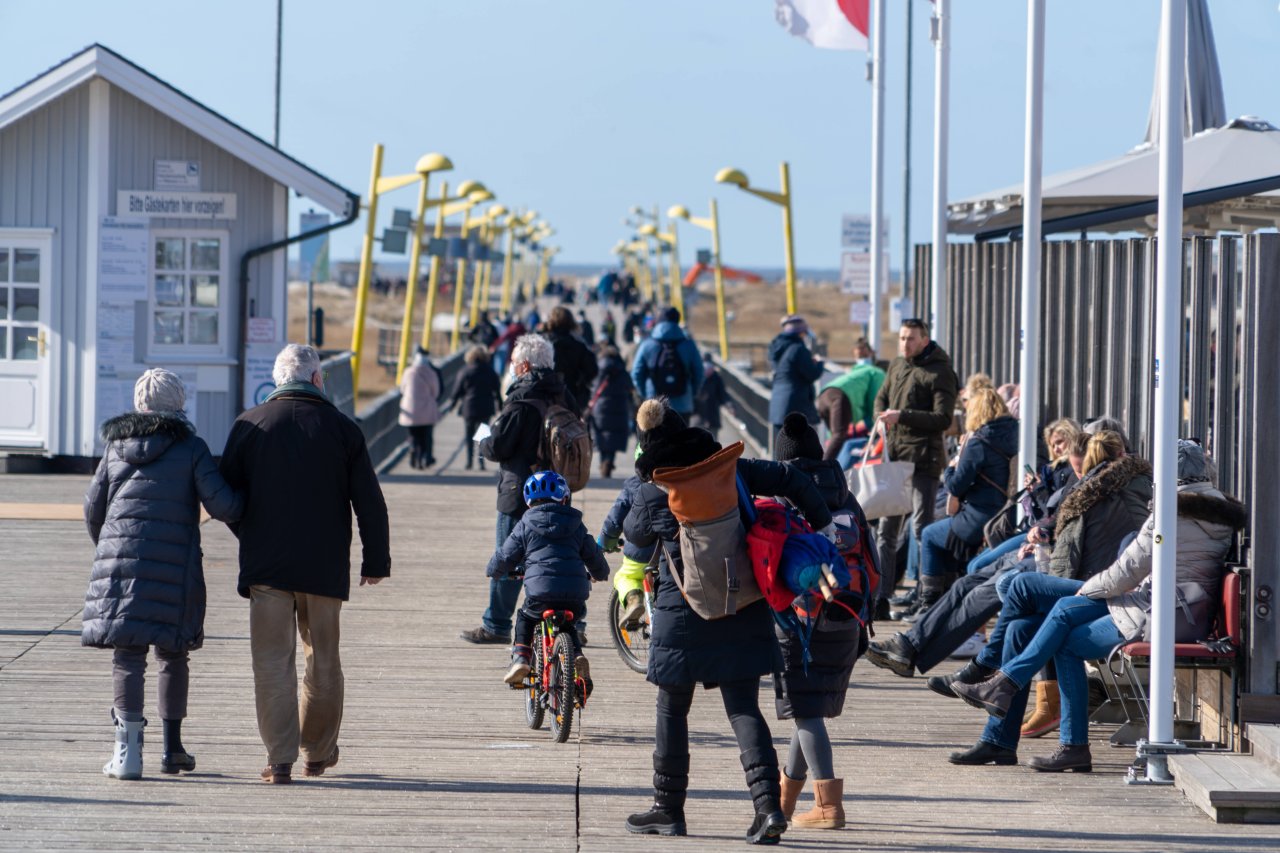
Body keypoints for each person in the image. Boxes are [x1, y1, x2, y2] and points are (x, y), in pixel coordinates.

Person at [951, 440, 1243, 771]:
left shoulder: (1170, 514)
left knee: (1047, 613)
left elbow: (1126, 571)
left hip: (1158, 611)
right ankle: (1002, 720)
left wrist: (1084, 593)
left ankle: (1009, 693)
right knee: (1022, 617)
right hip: (1167, 606)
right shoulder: (1217, 512)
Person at [622, 399, 834, 843]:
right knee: (743, 708)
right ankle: (768, 809)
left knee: (672, 708)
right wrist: (822, 524)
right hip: (742, 602)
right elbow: (790, 476)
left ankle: (668, 809)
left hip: (681, 612)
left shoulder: (652, 489)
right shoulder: (731, 468)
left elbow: (636, 538)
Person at [219, 344, 391, 784]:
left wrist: (251, 536)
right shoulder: (342, 429)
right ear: (317, 379)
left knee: (272, 663)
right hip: (323, 567)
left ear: (278, 380)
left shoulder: (248, 424)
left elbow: (226, 498)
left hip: (266, 568)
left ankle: (279, 761)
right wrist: (375, 560)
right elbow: (369, 502)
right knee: (324, 662)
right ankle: (317, 754)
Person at [945, 430, 1151, 765]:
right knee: (1018, 629)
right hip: (1095, 587)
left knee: (1023, 586)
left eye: (1082, 464)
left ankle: (987, 668)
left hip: (1112, 594)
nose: (1077, 472)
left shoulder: (1123, 492)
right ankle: (998, 739)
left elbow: (1131, 558)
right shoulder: (1100, 490)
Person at [83, 368, 243, 781]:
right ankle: (172, 750)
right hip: (174, 566)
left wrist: (111, 547)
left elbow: (93, 510)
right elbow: (224, 505)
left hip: (119, 563)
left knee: (128, 654)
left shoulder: (115, 447)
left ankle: (127, 753)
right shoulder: (191, 448)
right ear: (180, 405)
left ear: (139, 404)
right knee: (172, 653)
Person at [772, 414, 871, 830]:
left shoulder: (782, 502)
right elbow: (874, 561)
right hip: (848, 614)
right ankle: (786, 804)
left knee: (804, 711)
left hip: (801, 620)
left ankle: (829, 808)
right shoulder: (849, 501)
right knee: (806, 711)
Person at [460, 334, 578, 645]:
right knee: (560, 556)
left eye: (513, 363)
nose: (511, 369)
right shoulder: (563, 394)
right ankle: (573, 624)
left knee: (509, 559)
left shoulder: (522, 399)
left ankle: (497, 624)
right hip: (557, 490)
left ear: (523, 365)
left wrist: (483, 439)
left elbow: (499, 446)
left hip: (519, 492)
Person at [872, 318, 959, 617]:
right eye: (902, 338)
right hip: (895, 458)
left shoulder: (940, 371)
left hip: (924, 459)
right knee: (886, 530)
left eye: (911, 338)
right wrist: (881, 416)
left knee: (922, 528)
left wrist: (903, 416)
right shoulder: (897, 365)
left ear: (925, 340)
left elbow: (943, 419)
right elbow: (881, 397)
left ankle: (926, 596)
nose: (905, 343)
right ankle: (881, 598)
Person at [489, 471, 610, 685]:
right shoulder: (576, 525)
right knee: (569, 622)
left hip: (540, 593)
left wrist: (495, 571)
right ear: (564, 499)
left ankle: (521, 658)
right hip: (575, 593)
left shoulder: (525, 524)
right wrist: (599, 574)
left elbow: (505, 555)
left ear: (528, 503)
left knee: (526, 617)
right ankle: (577, 655)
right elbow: (593, 555)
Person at [905, 389, 1018, 617]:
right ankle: (944, 597)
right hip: (1007, 514)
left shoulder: (979, 442)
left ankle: (929, 601)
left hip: (980, 517)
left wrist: (950, 468)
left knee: (929, 535)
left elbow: (956, 485)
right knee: (942, 534)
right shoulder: (1017, 432)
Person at [818, 338, 885, 463]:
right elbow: (874, 402)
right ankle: (823, 471)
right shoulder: (876, 372)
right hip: (839, 397)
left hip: (823, 395)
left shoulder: (853, 372)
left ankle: (829, 467)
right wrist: (873, 422)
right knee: (839, 436)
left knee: (835, 439)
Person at [630, 306, 703, 417]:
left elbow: (636, 373)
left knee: (657, 434)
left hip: (654, 405)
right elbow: (699, 372)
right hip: (683, 404)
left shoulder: (647, 345)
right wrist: (691, 393)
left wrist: (645, 394)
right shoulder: (689, 345)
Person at [767, 315, 824, 440]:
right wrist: (819, 363)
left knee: (781, 450)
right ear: (802, 333)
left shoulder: (779, 347)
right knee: (797, 449)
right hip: (795, 406)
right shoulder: (798, 349)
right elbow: (812, 374)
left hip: (778, 406)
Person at [447, 345, 503, 471]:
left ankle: (469, 462)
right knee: (482, 436)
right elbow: (497, 390)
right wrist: (500, 404)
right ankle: (481, 462)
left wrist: (453, 404)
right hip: (486, 407)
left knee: (469, 435)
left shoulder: (465, 371)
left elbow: (457, 390)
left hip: (469, 407)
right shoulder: (490, 371)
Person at [588, 346, 635, 478]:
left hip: (600, 408)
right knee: (614, 436)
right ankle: (609, 460)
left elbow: (592, 387)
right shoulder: (622, 371)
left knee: (602, 435)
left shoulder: (598, 369)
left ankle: (604, 460)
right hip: (619, 407)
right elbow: (630, 387)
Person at [545, 306, 598, 417]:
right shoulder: (579, 345)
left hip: (546, 398)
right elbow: (592, 370)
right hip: (571, 398)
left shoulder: (543, 344)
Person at [399, 346, 442, 469]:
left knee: (414, 435)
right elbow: (436, 392)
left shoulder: (408, 372)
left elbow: (402, 388)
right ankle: (425, 458)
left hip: (410, 410)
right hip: (427, 410)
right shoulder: (432, 373)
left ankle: (413, 450)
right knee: (426, 436)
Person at [691, 351, 733, 440]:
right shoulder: (695, 376)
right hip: (699, 419)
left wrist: (729, 405)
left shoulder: (716, 378)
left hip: (711, 419)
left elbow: (722, 394)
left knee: (713, 446)